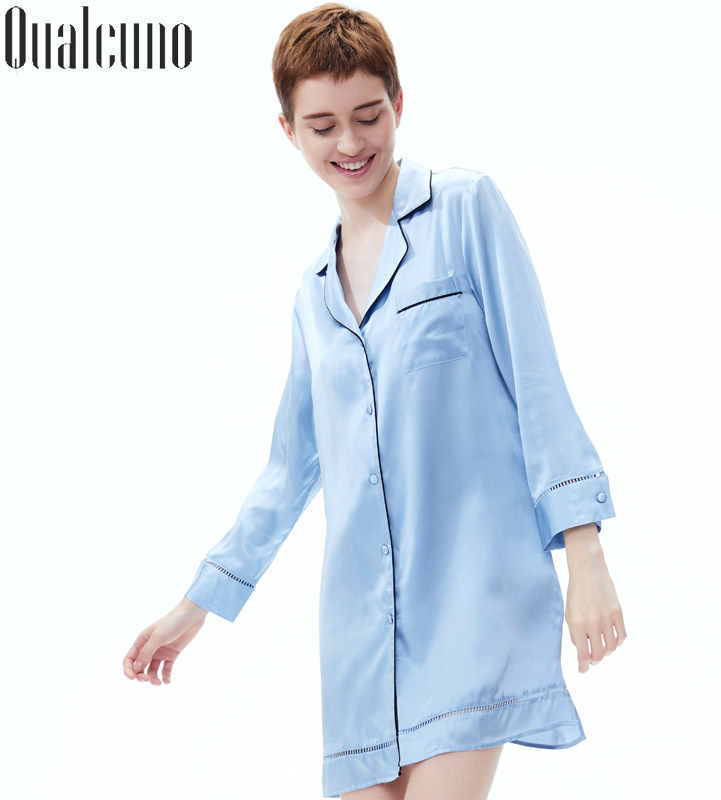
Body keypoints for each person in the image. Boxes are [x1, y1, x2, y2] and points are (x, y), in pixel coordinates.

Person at [122, 4, 627, 799]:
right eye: (323, 125)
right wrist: (197, 605)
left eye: (368, 115)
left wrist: (585, 554)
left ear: (399, 103)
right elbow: (288, 472)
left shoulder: (465, 210)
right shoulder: (314, 296)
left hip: (473, 601)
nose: (351, 143)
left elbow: (538, 382)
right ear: (288, 130)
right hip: (362, 637)